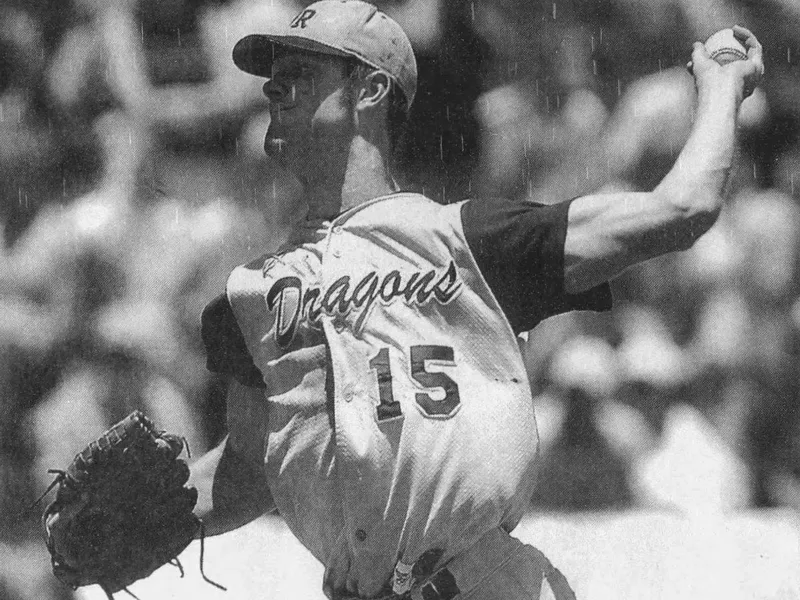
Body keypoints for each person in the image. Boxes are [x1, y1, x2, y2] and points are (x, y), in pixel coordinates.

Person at [189, 2, 764, 598]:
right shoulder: (249, 295)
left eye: (301, 72)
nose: (274, 88)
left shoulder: (469, 241)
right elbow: (244, 470)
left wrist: (722, 84)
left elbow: (683, 208)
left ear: (370, 90)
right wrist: (97, 531)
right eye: (272, 78)